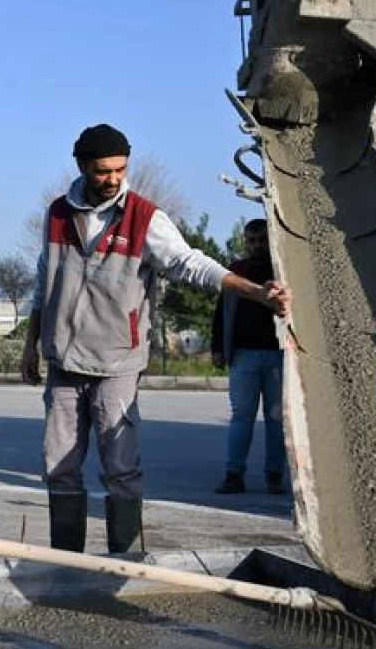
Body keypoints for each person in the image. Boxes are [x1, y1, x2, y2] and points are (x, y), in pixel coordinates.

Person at [20, 124, 291, 555]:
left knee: (122, 469)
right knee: (60, 467)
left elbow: (190, 263)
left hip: (117, 365)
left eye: (120, 170)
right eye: (102, 171)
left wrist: (256, 292)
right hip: (63, 363)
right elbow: (43, 281)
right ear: (81, 167)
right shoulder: (58, 214)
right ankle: (65, 563)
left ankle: (125, 562)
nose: (112, 179)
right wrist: (30, 344)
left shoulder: (145, 218)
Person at [211, 218, 287, 495]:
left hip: (279, 357)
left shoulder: (283, 269)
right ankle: (234, 475)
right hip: (243, 356)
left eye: (262, 239)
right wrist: (218, 347)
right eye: (252, 240)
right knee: (241, 417)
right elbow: (221, 312)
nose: (257, 245)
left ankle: (275, 475)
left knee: (276, 419)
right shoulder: (237, 271)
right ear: (246, 242)